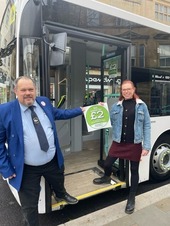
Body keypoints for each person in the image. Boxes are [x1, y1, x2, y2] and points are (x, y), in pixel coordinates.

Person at [0, 76, 84, 226]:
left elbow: (60, 114)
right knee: (29, 205)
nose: (28, 93)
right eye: (23, 90)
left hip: (52, 160)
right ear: (15, 91)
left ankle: (61, 195)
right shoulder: (4, 111)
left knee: (58, 180)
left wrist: (81, 110)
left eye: (31, 89)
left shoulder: (43, 102)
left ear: (35, 90)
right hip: (26, 168)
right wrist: (6, 169)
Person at [93, 80, 151, 214]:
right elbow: (109, 120)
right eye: (124, 89)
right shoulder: (117, 106)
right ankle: (107, 176)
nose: (126, 91)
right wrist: (102, 109)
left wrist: (146, 146)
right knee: (107, 163)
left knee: (134, 171)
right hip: (118, 142)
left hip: (134, 143)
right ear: (121, 91)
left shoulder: (142, 106)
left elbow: (147, 126)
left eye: (129, 89)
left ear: (134, 89)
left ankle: (131, 198)